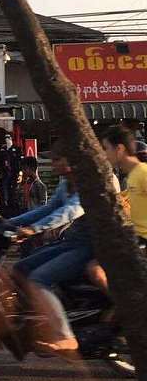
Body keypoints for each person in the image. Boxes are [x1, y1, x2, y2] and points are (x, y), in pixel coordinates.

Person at [12, 139, 120, 356]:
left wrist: (34, 229)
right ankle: (37, 323)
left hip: (90, 247)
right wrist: (9, 222)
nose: (53, 165)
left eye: (57, 160)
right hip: (71, 241)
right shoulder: (65, 183)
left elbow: (70, 212)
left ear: (71, 161)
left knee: (38, 279)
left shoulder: (91, 182)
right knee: (19, 269)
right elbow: (47, 209)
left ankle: (65, 336)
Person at [101, 125, 147, 245]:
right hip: (134, 240)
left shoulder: (143, 173)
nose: (104, 154)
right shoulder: (132, 175)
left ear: (119, 149)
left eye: (106, 148)